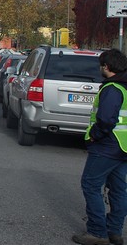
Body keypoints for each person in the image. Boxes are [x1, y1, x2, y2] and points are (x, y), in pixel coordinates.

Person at [72, 49, 127, 245]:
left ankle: (97, 232)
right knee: (119, 189)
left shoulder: (112, 88)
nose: (100, 68)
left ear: (107, 67)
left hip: (107, 145)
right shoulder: (125, 87)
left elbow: (106, 119)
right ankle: (114, 231)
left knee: (91, 184)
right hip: (123, 146)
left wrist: (94, 135)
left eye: (101, 65)